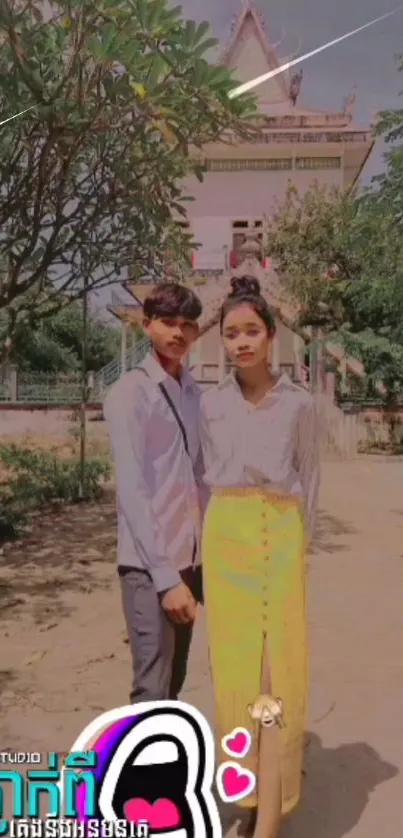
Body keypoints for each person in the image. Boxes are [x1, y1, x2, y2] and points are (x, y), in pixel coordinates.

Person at [200, 276, 319, 838]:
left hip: (283, 531)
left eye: (252, 331)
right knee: (236, 675)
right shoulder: (210, 403)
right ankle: (247, 797)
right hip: (228, 538)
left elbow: (311, 481)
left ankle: (272, 815)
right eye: (231, 334)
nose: (241, 342)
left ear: (271, 336)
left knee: (280, 672)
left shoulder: (299, 403)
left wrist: (302, 550)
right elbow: (202, 484)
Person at [104, 283, 208, 704]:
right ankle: (138, 770)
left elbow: (200, 476)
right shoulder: (132, 391)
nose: (177, 333)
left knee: (174, 680)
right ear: (147, 325)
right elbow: (131, 487)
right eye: (168, 322)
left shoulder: (195, 392)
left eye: (187, 325)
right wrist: (165, 579)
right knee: (151, 685)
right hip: (149, 566)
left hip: (189, 558)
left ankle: (166, 765)